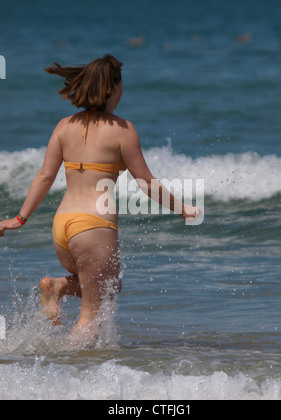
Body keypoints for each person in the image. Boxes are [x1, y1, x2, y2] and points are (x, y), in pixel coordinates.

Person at [0, 55, 198, 347]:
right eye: (121, 86)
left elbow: (44, 176)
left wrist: (19, 219)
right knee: (91, 316)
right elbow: (145, 181)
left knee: (110, 287)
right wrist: (182, 209)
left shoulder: (64, 126)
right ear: (113, 88)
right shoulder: (123, 130)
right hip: (94, 226)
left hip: (62, 228)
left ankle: (57, 287)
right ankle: (67, 378)